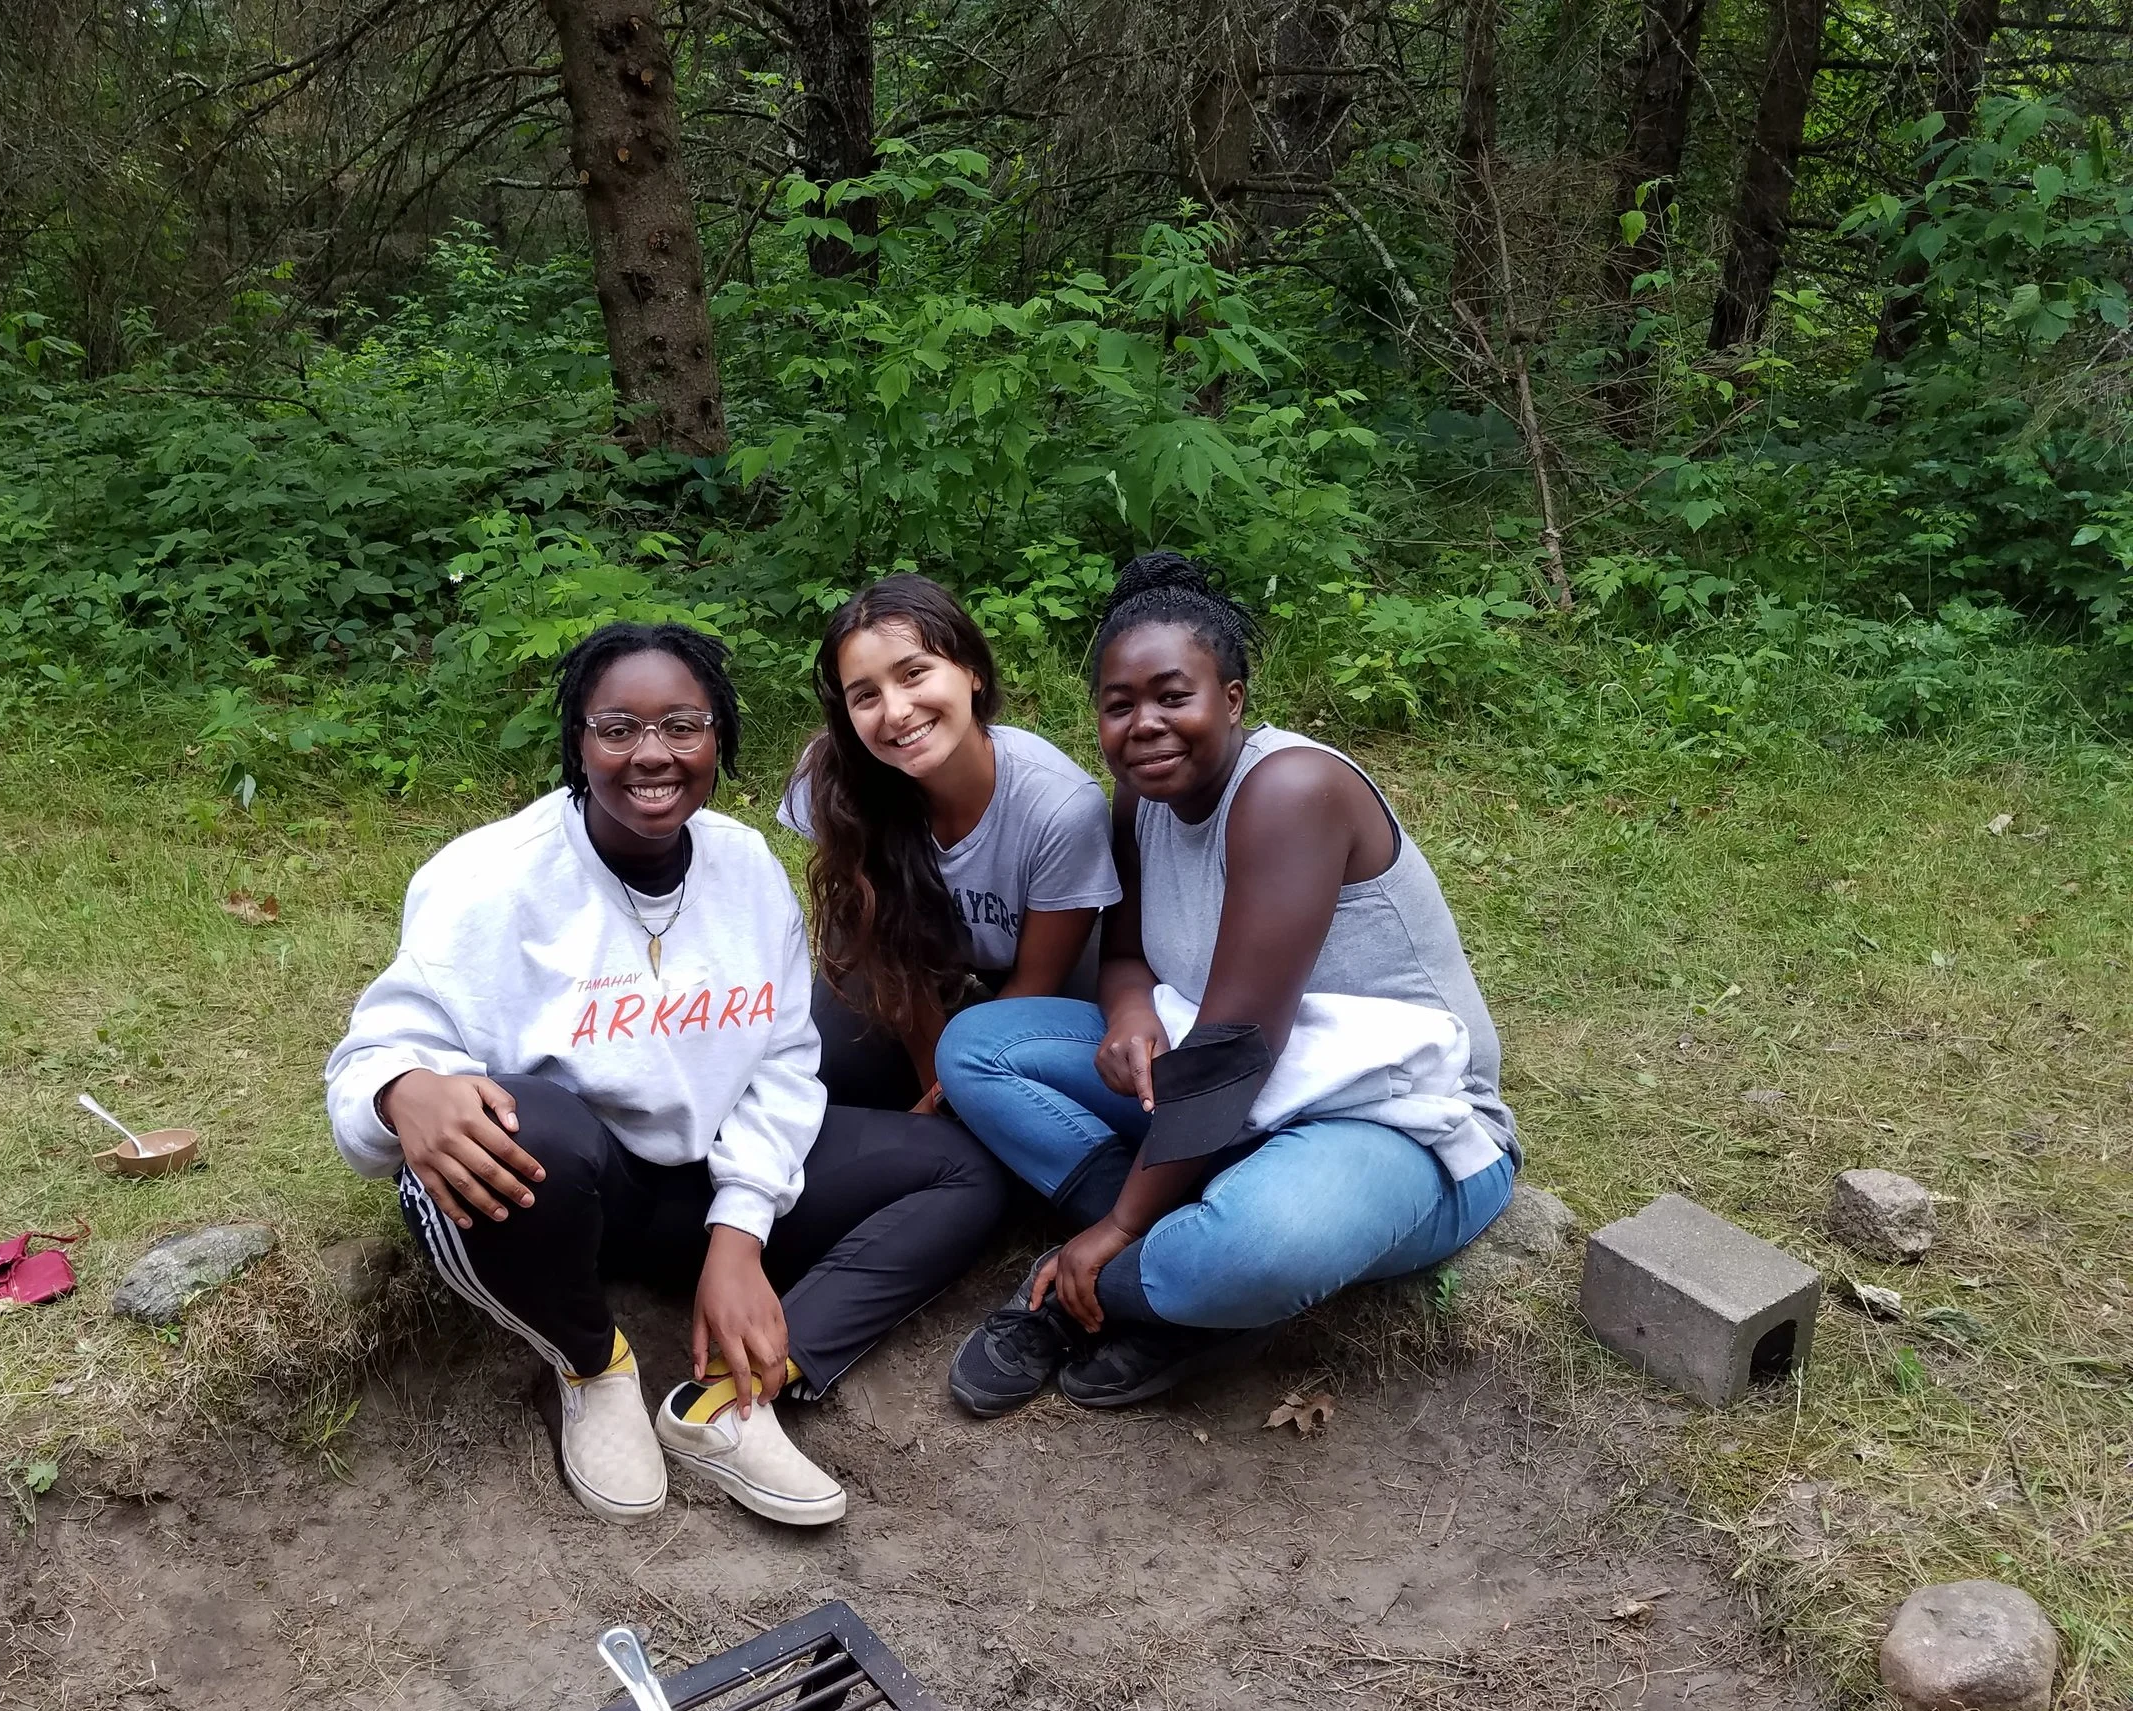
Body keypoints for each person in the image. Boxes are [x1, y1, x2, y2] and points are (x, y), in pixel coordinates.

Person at [325, 622, 1003, 1526]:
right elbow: (373, 1057)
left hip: (702, 1179)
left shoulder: (743, 866)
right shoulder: (490, 881)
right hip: (570, 1194)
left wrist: (740, 1235)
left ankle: (734, 1395)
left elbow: (784, 1062)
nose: (653, 754)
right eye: (618, 728)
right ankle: (589, 1361)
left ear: (720, 736)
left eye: (683, 725)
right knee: (531, 1125)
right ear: (577, 740)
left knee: (966, 1170)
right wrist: (400, 1090)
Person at [937, 554, 1521, 1414]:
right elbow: (1126, 950)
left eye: (1175, 696)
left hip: (1396, 1121)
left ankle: (1093, 1292)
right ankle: (1186, 1261)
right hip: (1234, 1095)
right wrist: (1129, 1012)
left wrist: (1119, 1225)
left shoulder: (1292, 789)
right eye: (1119, 704)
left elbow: (1233, 1050)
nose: (1145, 724)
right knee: (978, 1047)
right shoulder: (1141, 799)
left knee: (1254, 1246)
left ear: (1235, 699)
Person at [783, 574, 1121, 1111]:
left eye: (914, 673)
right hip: (911, 964)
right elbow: (891, 953)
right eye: (865, 695)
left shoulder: (1059, 806)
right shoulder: (834, 783)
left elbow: (1035, 986)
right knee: (831, 1070)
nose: (895, 712)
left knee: (1041, 1085)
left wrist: (954, 1095)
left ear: (972, 672)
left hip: (1037, 978)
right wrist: (931, 1090)